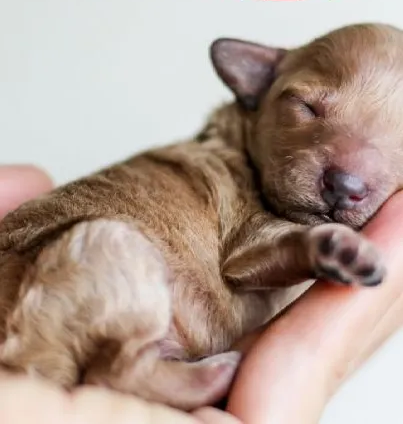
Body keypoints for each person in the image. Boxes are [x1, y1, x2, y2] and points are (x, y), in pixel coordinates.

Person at [1, 165, 403, 424]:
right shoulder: (225, 171)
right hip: (49, 318)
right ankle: (133, 371)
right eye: (309, 108)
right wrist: (307, 248)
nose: (349, 177)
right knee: (110, 248)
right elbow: (245, 262)